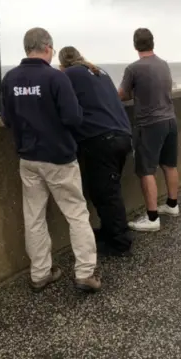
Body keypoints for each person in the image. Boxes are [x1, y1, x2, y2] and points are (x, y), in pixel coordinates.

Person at [0, 27, 100, 293]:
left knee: (33, 216)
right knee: (76, 213)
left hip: (28, 158)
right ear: (47, 48)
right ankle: (85, 273)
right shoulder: (55, 78)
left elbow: (7, 120)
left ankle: (40, 273)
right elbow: (73, 118)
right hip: (58, 157)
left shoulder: (10, 79)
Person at [58, 46, 134, 257]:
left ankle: (120, 241)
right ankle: (110, 231)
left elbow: (61, 103)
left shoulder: (68, 74)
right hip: (122, 134)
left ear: (62, 63)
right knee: (107, 189)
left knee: (106, 193)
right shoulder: (99, 71)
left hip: (101, 139)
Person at [118, 28, 180, 232]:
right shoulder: (164, 64)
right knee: (169, 165)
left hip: (149, 124)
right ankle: (172, 205)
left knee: (146, 171)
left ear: (135, 45)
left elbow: (122, 95)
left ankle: (152, 218)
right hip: (170, 119)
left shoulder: (133, 69)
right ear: (152, 43)